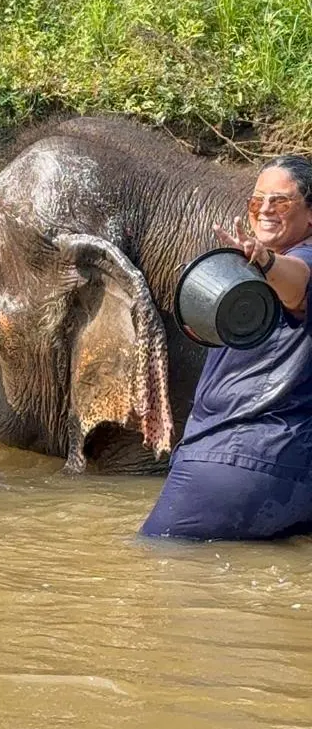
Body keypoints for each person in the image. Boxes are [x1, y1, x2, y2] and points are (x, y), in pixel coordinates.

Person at [140, 153, 312, 541]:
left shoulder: (297, 262)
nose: (265, 209)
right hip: (293, 465)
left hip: (233, 459)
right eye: (257, 201)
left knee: (158, 564)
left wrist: (265, 260)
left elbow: (296, 285)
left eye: (280, 202)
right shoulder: (259, 273)